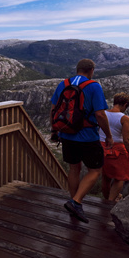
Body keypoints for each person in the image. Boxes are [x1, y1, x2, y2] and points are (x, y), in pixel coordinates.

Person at [50, 58, 112, 223]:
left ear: (77, 69)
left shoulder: (63, 84)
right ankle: (76, 202)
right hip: (87, 136)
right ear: (91, 70)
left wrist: (55, 130)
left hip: (66, 134)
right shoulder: (93, 86)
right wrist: (109, 135)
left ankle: (74, 203)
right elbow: (99, 114)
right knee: (95, 170)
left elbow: (53, 109)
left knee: (73, 168)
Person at [99, 93, 129, 202]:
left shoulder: (103, 114)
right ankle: (110, 202)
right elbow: (127, 140)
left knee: (106, 177)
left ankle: (106, 200)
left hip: (101, 146)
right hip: (117, 149)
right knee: (120, 177)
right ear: (125, 104)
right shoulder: (124, 118)